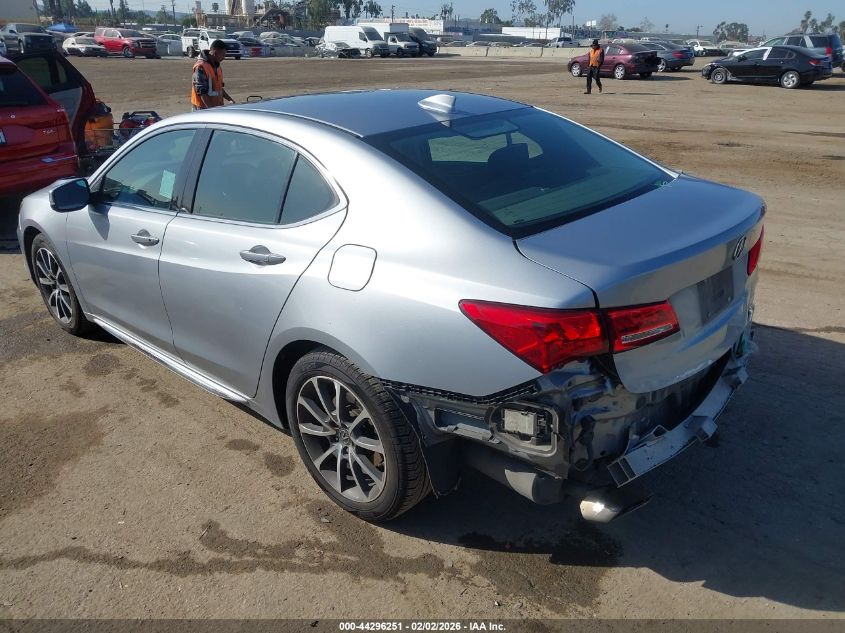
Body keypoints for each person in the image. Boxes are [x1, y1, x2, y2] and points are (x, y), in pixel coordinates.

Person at [191, 40, 235, 110]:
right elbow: (202, 91)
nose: (224, 57)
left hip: (215, 108)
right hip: (202, 109)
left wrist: (230, 99)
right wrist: (210, 110)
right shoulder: (201, 67)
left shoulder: (217, 67)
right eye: (223, 55)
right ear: (215, 53)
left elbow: (219, 89)